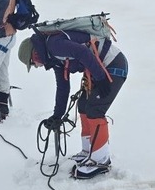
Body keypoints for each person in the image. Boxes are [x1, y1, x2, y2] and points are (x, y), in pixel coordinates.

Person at [17, 29, 128, 179]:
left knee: (95, 109)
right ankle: (88, 151)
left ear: (34, 53)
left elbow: (82, 52)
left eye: (32, 63)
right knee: (83, 105)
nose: (37, 66)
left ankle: (101, 160)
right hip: (99, 69)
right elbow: (63, 87)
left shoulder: (54, 45)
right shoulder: (54, 59)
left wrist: (101, 78)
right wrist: (57, 115)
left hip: (113, 64)